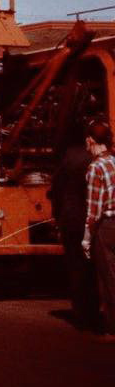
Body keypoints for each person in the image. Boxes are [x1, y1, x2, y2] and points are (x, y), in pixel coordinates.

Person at [47, 132, 98, 329]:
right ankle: (95, 310)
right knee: (93, 267)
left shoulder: (67, 160)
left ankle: (82, 313)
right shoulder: (94, 160)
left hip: (71, 219)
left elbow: (57, 191)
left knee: (76, 267)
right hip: (93, 218)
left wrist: (57, 216)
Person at [81, 120, 115, 341]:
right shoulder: (114, 161)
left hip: (106, 227)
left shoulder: (95, 167)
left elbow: (94, 210)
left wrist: (86, 239)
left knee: (109, 277)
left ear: (91, 140)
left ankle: (112, 329)